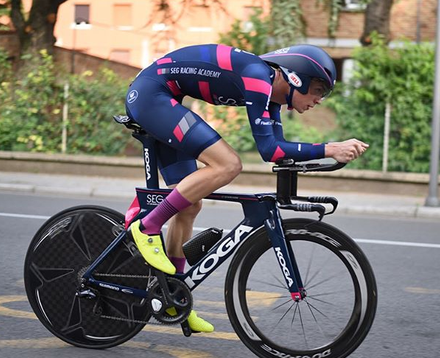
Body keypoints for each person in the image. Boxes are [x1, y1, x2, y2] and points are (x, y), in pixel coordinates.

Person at [124, 44, 369, 333]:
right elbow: (269, 149)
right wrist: (330, 148)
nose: (319, 100)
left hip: (165, 97)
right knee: (228, 164)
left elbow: (276, 151)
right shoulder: (257, 76)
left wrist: (320, 156)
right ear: (295, 79)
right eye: (318, 89)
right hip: (153, 94)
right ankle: (148, 226)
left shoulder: (271, 98)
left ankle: (173, 297)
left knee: (189, 204)